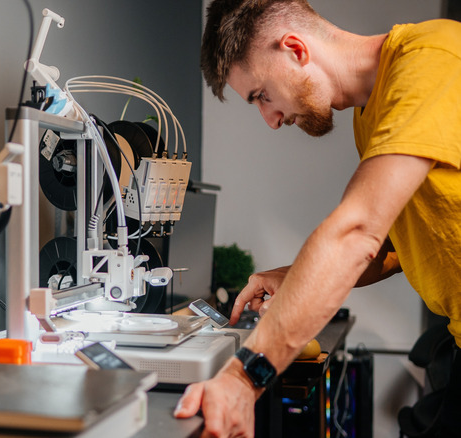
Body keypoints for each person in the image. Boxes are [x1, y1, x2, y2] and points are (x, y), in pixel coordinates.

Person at [172, 0, 461, 437]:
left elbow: (357, 231)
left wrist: (242, 378)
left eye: (261, 95)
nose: (269, 119)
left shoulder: (432, 60)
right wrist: (294, 278)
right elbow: (395, 247)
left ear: (295, 49)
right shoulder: (370, 115)